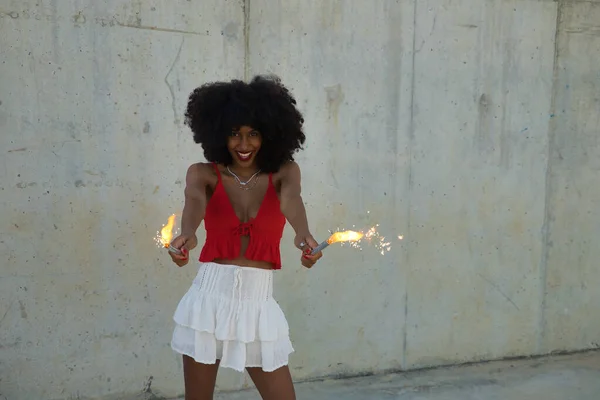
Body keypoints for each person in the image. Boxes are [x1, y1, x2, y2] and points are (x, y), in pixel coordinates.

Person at [167, 75, 322, 400]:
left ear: (270, 133)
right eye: (234, 133)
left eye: (253, 134)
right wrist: (187, 236)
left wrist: (303, 236)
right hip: (208, 300)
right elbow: (193, 203)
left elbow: (291, 201)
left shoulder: (285, 172)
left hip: (257, 303)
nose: (243, 144)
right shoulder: (203, 173)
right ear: (218, 133)